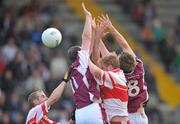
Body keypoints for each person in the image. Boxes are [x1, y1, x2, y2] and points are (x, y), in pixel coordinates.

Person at [97, 14, 149, 124]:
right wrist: (111, 27)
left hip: (126, 116)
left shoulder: (119, 76)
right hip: (140, 116)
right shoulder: (139, 67)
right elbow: (124, 45)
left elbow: (107, 57)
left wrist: (98, 38)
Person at [67, 3, 107, 124]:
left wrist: (95, 32)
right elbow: (86, 38)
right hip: (92, 108)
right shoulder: (81, 60)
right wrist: (88, 17)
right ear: (79, 54)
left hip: (79, 113)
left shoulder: (73, 69)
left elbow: (89, 50)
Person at [88, 17, 130, 124]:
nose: (101, 69)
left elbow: (96, 70)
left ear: (110, 66)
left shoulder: (114, 77)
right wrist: (96, 35)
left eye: (103, 67)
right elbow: (96, 59)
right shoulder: (115, 73)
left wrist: (83, 57)